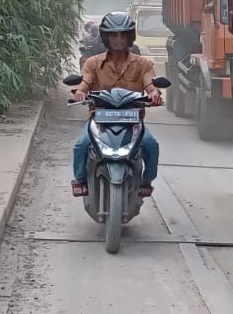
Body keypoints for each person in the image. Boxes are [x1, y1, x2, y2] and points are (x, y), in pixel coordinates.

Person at [70, 11, 164, 198]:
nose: (119, 39)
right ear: (106, 37)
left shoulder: (143, 64)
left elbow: (150, 84)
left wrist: (154, 94)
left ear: (130, 37)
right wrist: (80, 92)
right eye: (114, 35)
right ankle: (80, 179)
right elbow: (85, 82)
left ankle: (147, 180)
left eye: (123, 35)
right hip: (99, 118)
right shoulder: (93, 63)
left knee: (151, 144)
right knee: (81, 145)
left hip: (133, 120)